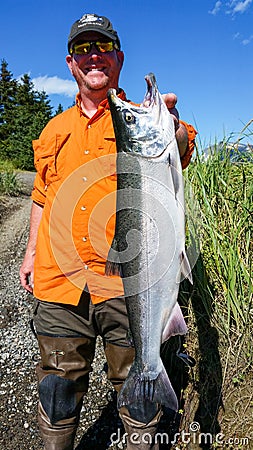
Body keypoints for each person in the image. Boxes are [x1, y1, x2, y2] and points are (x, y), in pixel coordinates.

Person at [19, 12, 197, 450]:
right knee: (56, 393)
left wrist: (173, 129)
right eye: (83, 49)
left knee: (138, 400)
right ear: (70, 62)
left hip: (126, 283)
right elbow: (42, 195)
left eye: (102, 48)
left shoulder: (140, 117)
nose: (93, 56)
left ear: (118, 58)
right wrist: (29, 253)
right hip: (59, 281)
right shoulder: (54, 129)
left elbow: (181, 144)